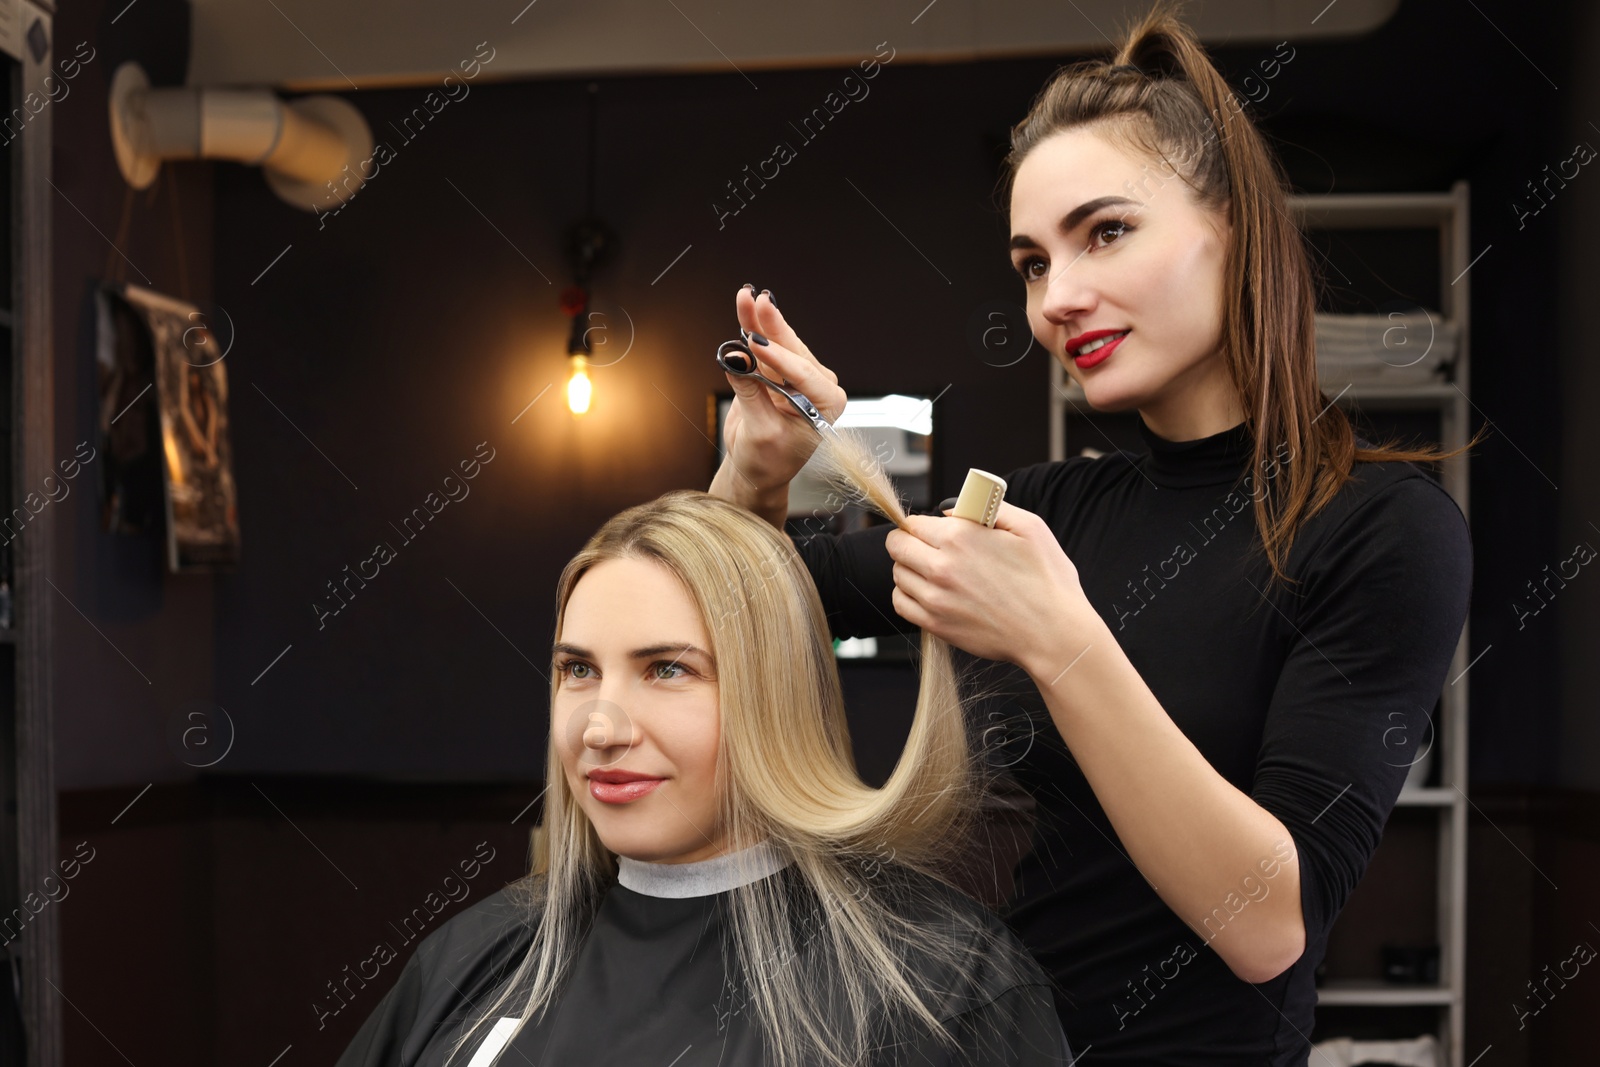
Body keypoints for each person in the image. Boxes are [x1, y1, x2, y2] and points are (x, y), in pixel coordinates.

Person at [708, 2, 1481, 1062]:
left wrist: (1057, 637)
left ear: (1232, 229)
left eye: (1104, 231)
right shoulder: (1049, 513)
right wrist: (753, 470)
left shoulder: (1383, 532)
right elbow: (733, 614)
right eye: (1031, 263)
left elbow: (1265, 924)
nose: (1055, 299)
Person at [334, 454, 1075, 1066]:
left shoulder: (941, 987)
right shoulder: (473, 960)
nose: (601, 726)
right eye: (579, 670)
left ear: (774, 693)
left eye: (667, 670)